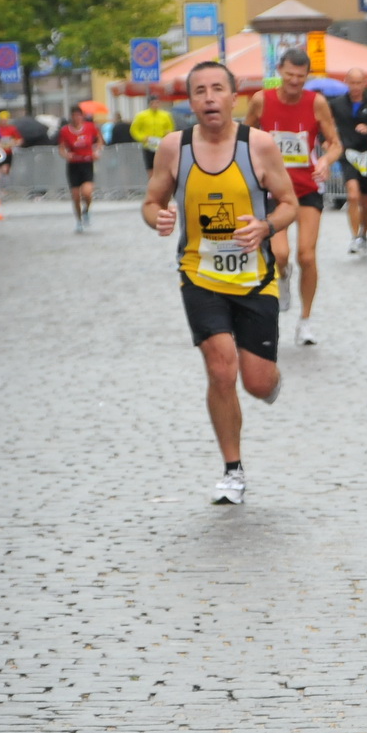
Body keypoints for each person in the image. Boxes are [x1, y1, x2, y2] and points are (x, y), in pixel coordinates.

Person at [140, 61, 299, 504]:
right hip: (200, 273)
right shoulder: (174, 148)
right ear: (189, 101)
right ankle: (232, 469)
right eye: (199, 91)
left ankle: (269, 380)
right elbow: (151, 202)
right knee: (220, 366)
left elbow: (289, 202)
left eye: (217, 89)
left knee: (256, 382)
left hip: (255, 278)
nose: (209, 98)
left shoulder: (259, 146)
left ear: (235, 97)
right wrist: (162, 217)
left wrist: (266, 227)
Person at [246, 48, 342, 342]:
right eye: (289, 75)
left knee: (307, 256)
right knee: (280, 253)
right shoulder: (262, 100)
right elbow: (243, 136)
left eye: (300, 77)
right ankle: (282, 276)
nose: (294, 82)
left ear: (307, 76)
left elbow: (335, 142)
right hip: (273, 190)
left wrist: (326, 160)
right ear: (279, 71)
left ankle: (305, 321)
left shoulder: (317, 103)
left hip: (306, 188)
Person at [328, 68, 367, 257]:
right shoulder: (337, 104)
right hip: (347, 155)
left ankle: (363, 235)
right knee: (352, 195)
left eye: (358, 82)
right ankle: (355, 237)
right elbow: (326, 123)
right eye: (352, 82)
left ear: (365, 83)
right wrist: (326, 139)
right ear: (346, 82)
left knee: (365, 201)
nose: (355, 87)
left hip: (366, 156)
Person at [57, 106, 102, 232]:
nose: (77, 118)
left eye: (79, 115)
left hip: (87, 163)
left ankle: (86, 210)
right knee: (76, 196)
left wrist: (97, 151)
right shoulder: (65, 131)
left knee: (87, 192)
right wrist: (66, 155)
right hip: (74, 165)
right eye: (74, 115)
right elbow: (61, 148)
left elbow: (99, 141)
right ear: (71, 117)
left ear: (82, 116)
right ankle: (78, 221)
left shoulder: (90, 127)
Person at [131, 94, 175, 174]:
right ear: (149, 104)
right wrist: (142, 137)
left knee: (162, 166)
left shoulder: (165, 115)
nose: (155, 105)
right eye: (153, 103)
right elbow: (134, 129)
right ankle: (152, 182)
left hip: (161, 145)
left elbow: (171, 127)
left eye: (157, 103)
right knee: (150, 167)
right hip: (148, 145)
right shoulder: (141, 115)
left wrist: (168, 132)